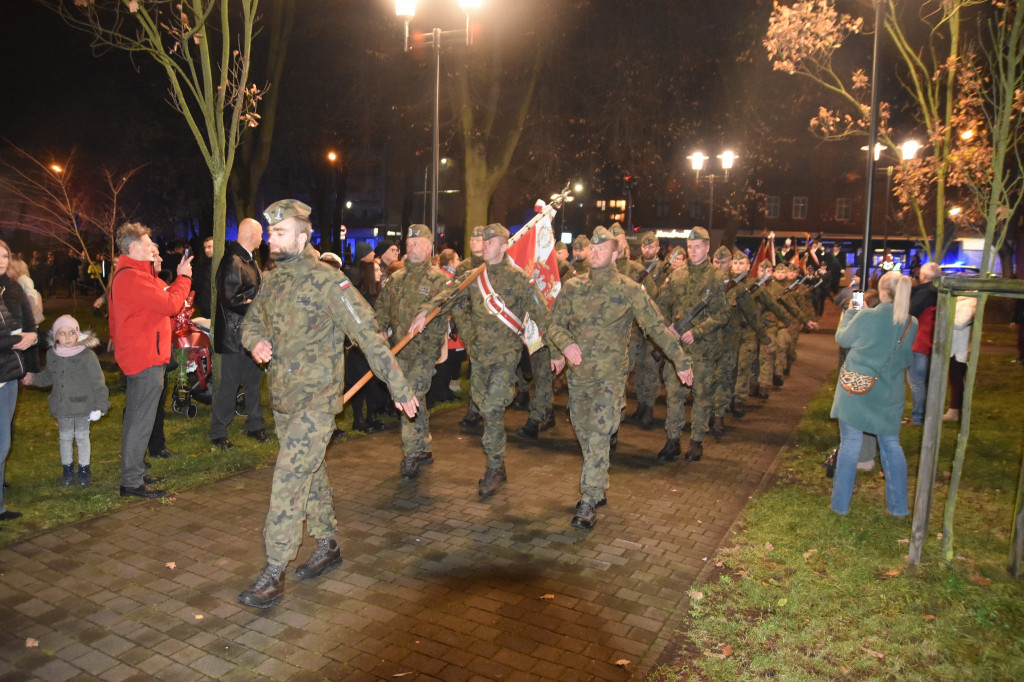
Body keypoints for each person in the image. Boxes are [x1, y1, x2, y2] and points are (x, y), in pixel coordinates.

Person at [238, 199, 417, 609]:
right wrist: (256, 342)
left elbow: (369, 333)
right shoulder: (273, 281)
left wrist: (400, 386)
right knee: (310, 473)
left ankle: (274, 569)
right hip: (284, 400)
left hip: (316, 403)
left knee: (287, 480)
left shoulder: (328, 282)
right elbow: (252, 322)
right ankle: (329, 543)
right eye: (270, 234)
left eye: (280, 233)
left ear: (302, 237)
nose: (272, 240)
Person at [547, 226, 693, 529]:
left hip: (610, 378)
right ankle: (598, 485)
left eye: (603, 249)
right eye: (593, 249)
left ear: (616, 254)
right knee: (585, 434)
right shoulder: (572, 287)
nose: (596, 253)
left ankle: (588, 499)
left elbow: (655, 327)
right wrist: (564, 345)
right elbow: (553, 325)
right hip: (579, 378)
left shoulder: (629, 289)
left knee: (600, 434)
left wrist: (680, 360)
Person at [410, 223, 548, 498]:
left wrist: (559, 350)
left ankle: (494, 468)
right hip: (480, 357)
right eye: (482, 241)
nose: (484, 245)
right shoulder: (474, 277)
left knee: (494, 408)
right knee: (485, 407)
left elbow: (544, 317)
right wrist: (425, 312)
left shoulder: (521, 280)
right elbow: (447, 297)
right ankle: (499, 462)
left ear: (504, 245)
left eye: (490, 241)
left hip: (506, 356)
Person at [108, 223, 193, 499]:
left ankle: (134, 472)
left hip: (144, 355)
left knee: (138, 418)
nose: (153, 248)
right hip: (144, 357)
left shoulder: (134, 275)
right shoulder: (132, 277)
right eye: (148, 244)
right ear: (133, 248)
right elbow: (170, 304)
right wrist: (184, 279)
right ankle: (132, 481)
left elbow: (159, 303)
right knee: (140, 420)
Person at [829, 271, 916, 516]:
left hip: (856, 391)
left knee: (850, 444)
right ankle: (898, 508)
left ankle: (840, 505)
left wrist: (853, 311)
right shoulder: (912, 323)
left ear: (883, 292)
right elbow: (906, 358)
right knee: (891, 444)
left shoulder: (866, 316)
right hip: (889, 393)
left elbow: (842, 338)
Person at [375, 224, 451, 480]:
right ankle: (424, 446)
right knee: (415, 400)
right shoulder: (396, 279)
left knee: (410, 395)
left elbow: (447, 305)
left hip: (424, 352)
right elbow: (383, 309)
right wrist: (380, 330)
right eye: (409, 243)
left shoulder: (440, 280)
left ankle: (411, 454)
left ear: (429, 247)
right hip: (399, 351)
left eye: (417, 243)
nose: (412, 247)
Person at [655, 227, 729, 463]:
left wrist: (696, 332)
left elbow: (722, 314)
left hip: (703, 350)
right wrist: (669, 327)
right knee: (674, 395)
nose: (693, 251)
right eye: (690, 247)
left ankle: (696, 441)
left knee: (701, 396)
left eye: (698, 247)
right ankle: (673, 439)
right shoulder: (677, 276)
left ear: (707, 248)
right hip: (678, 350)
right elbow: (660, 306)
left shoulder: (716, 278)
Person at [22, 315, 109, 487]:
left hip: (84, 406)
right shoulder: (52, 354)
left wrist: (100, 406)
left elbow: (98, 382)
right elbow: (48, 377)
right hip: (62, 407)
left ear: (78, 334)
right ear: (55, 336)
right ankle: (67, 469)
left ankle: (84, 469)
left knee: (83, 437)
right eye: (62, 333)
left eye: (71, 332)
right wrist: (33, 378)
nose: (67, 337)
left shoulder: (87, 356)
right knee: (65, 437)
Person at [209, 218, 268, 449]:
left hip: (249, 334)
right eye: (260, 232)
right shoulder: (233, 260)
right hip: (236, 337)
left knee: (254, 382)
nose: (263, 237)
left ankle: (254, 425)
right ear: (250, 234)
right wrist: (255, 305)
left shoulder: (248, 260)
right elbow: (230, 297)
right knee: (230, 385)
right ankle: (218, 431)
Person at [0, 239, 41, 525]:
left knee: (3, 443)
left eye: (4, 255)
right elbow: (19, 336)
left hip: (8, 375)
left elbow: (30, 328)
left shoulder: (13, 289)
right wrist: (18, 341)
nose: (1, 259)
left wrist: (30, 365)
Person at [905, 262, 940, 426]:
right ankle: (927, 417)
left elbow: (908, 313)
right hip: (932, 343)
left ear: (924, 276)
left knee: (917, 383)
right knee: (925, 383)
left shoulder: (923, 293)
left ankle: (918, 418)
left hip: (919, 343)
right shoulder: (939, 293)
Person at [192, 236, 215, 319]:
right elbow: (197, 284)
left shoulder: (224, 264)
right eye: (205, 247)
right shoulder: (201, 265)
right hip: (205, 307)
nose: (206, 250)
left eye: (209, 247)